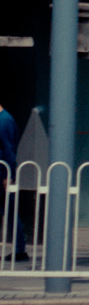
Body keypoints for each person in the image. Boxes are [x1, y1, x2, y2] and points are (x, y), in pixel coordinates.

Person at [0, 100, 23, 260]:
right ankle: (20, 248)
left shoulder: (4, 121)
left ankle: (20, 248)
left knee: (9, 210)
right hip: (3, 170)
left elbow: (8, 149)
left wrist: (8, 175)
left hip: (2, 171)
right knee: (8, 209)